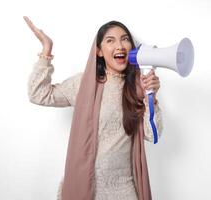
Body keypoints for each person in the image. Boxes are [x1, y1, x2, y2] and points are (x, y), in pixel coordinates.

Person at [24, 16, 163, 200]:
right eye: (110, 40)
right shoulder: (83, 84)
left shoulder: (139, 87)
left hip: (124, 189)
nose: (120, 45)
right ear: (98, 51)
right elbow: (38, 94)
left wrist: (151, 98)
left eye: (125, 39)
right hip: (84, 186)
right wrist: (46, 51)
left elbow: (152, 134)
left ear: (131, 49)